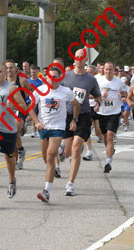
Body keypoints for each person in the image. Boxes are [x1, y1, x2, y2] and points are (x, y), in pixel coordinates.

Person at [29, 67, 80, 203]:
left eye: (55, 77)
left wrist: (74, 120)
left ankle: (47, 191)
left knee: (50, 156)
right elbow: (30, 108)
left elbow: (76, 104)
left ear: (60, 78)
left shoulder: (65, 92)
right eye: (50, 76)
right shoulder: (40, 91)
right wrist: (36, 122)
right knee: (46, 159)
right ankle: (60, 150)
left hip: (58, 127)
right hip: (43, 127)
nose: (52, 79)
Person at [0, 63, 27, 202]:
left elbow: (24, 107)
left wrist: (15, 106)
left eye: (0, 72)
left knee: (9, 157)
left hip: (8, 128)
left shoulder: (12, 88)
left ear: (5, 74)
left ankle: (12, 180)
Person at [61, 49, 101, 196]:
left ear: (85, 60)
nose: (78, 59)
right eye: (76, 57)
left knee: (76, 148)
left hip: (83, 116)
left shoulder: (91, 79)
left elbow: (98, 96)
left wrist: (97, 103)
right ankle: (65, 152)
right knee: (67, 151)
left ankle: (70, 184)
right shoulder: (65, 77)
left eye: (81, 57)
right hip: (67, 114)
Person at [97, 62, 126, 174]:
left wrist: (122, 97)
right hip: (102, 112)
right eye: (106, 69)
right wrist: (100, 97)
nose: (108, 72)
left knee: (110, 136)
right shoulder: (99, 81)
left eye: (110, 70)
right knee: (104, 136)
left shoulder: (119, 82)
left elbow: (123, 92)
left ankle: (108, 162)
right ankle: (110, 149)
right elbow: (93, 95)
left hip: (114, 112)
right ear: (103, 70)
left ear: (114, 71)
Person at [5, 59, 34, 170]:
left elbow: (33, 94)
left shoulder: (22, 81)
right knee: (11, 137)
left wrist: (29, 110)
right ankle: (17, 158)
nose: (9, 70)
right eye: (7, 68)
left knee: (14, 131)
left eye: (11, 67)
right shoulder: (2, 82)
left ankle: (20, 149)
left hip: (19, 111)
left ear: (16, 69)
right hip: (6, 112)